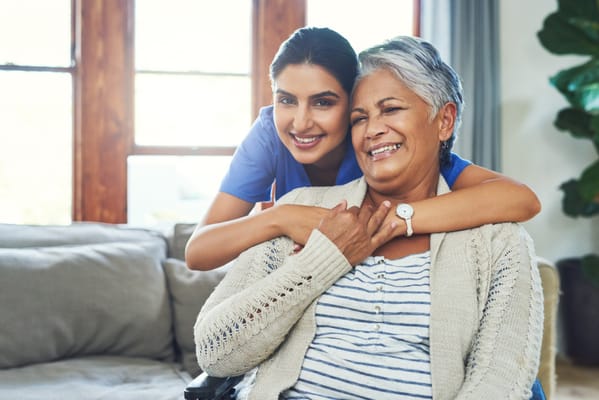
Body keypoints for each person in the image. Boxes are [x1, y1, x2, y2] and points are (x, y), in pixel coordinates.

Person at [193, 36, 544, 399]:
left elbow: (501, 378)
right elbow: (214, 352)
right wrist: (316, 253)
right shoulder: (296, 199)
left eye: (391, 110)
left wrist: (392, 220)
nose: (373, 129)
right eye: (360, 118)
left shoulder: (496, 240)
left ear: (444, 121)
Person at [185, 27, 541, 272]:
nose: (301, 122)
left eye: (324, 102)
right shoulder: (269, 136)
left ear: (350, 100)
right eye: (286, 100)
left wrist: (385, 223)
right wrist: (282, 216)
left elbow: (519, 198)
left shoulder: (384, 152)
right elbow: (198, 251)